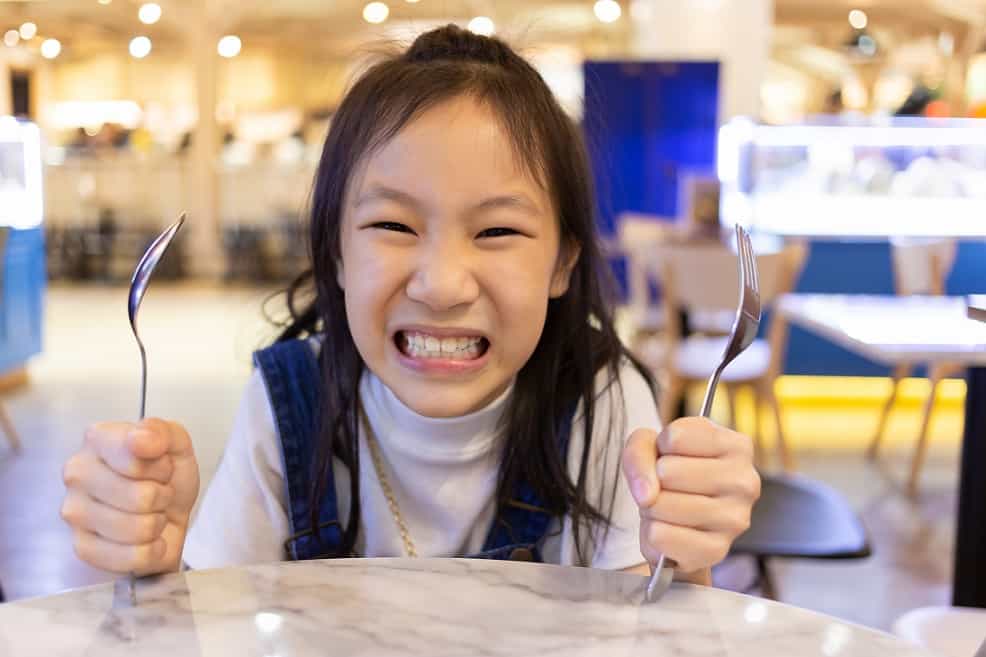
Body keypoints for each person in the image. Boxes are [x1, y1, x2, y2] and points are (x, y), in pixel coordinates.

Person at [60, 25, 759, 584]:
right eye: (394, 226)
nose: (442, 283)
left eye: (497, 231)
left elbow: (647, 628)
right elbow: (213, 624)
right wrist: (156, 571)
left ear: (563, 261)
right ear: (335, 252)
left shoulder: (601, 403)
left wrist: (685, 560)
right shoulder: (290, 400)